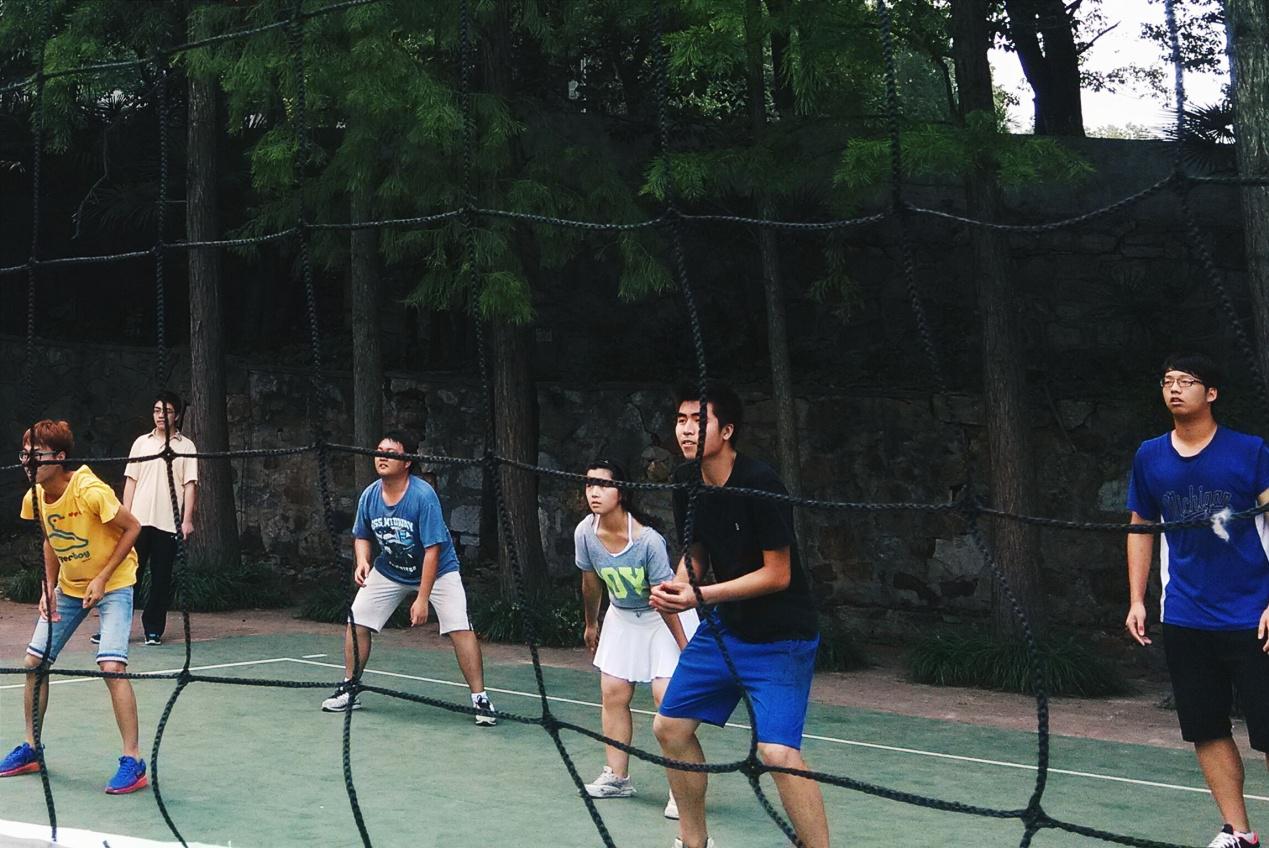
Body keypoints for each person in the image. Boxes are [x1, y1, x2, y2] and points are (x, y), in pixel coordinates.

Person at [651, 381, 828, 848]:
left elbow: (778, 574)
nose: (686, 430)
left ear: (727, 430)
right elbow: (696, 551)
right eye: (681, 420)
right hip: (726, 628)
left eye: (699, 421)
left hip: (782, 639)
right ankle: (694, 842)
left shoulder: (761, 483)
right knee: (669, 728)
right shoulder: (685, 481)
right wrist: (679, 585)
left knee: (777, 753)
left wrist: (700, 595)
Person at [1126, 354, 1269, 848]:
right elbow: (1140, 526)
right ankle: (1238, 832)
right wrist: (1137, 599)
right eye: (1168, 381)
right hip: (1186, 616)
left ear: (1211, 394)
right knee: (1206, 728)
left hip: (1254, 617)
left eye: (1187, 381)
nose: (1174, 388)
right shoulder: (1149, 456)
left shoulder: (1250, 451)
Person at [0, 419, 148, 794]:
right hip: (69, 587)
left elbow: (133, 527)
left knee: (112, 666)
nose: (27, 461)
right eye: (24, 454)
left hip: (114, 583)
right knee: (34, 662)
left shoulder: (89, 491)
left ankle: (133, 760)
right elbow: (51, 539)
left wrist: (102, 578)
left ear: (60, 457)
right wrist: (48, 586)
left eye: (36, 455)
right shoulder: (35, 497)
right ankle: (32, 749)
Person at [321, 432, 496, 726]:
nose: (382, 456)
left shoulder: (422, 496)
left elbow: (432, 551)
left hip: (438, 571)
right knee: (357, 620)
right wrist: (362, 561)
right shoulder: (370, 495)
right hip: (390, 569)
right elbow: (361, 535)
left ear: (407, 463)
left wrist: (422, 598)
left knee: (460, 628)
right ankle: (350, 689)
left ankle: (480, 699)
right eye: (379, 451)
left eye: (391, 452)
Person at [576, 459, 699, 819]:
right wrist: (591, 624)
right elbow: (590, 582)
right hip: (622, 617)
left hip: (664, 618)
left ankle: (681, 790)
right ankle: (617, 777)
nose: (594, 492)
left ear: (622, 492)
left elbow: (665, 600)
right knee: (613, 692)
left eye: (604, 485)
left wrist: (685, 648)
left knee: (666, 699)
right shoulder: (585, 532)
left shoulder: (648, 541)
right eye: (589, 484)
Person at [120, 391, 198, 646]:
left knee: (161, 579)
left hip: (168, 523)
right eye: (156, 411)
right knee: (128, 577)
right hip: (137, 523)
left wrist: (186, 520)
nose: (160, 416)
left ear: (177, 415)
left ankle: (153, 630)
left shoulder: (186, 446)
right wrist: (124, 516)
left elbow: (190, 485)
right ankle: (117, 630)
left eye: (166, 411)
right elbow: (131, 481)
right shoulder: (141, 443)